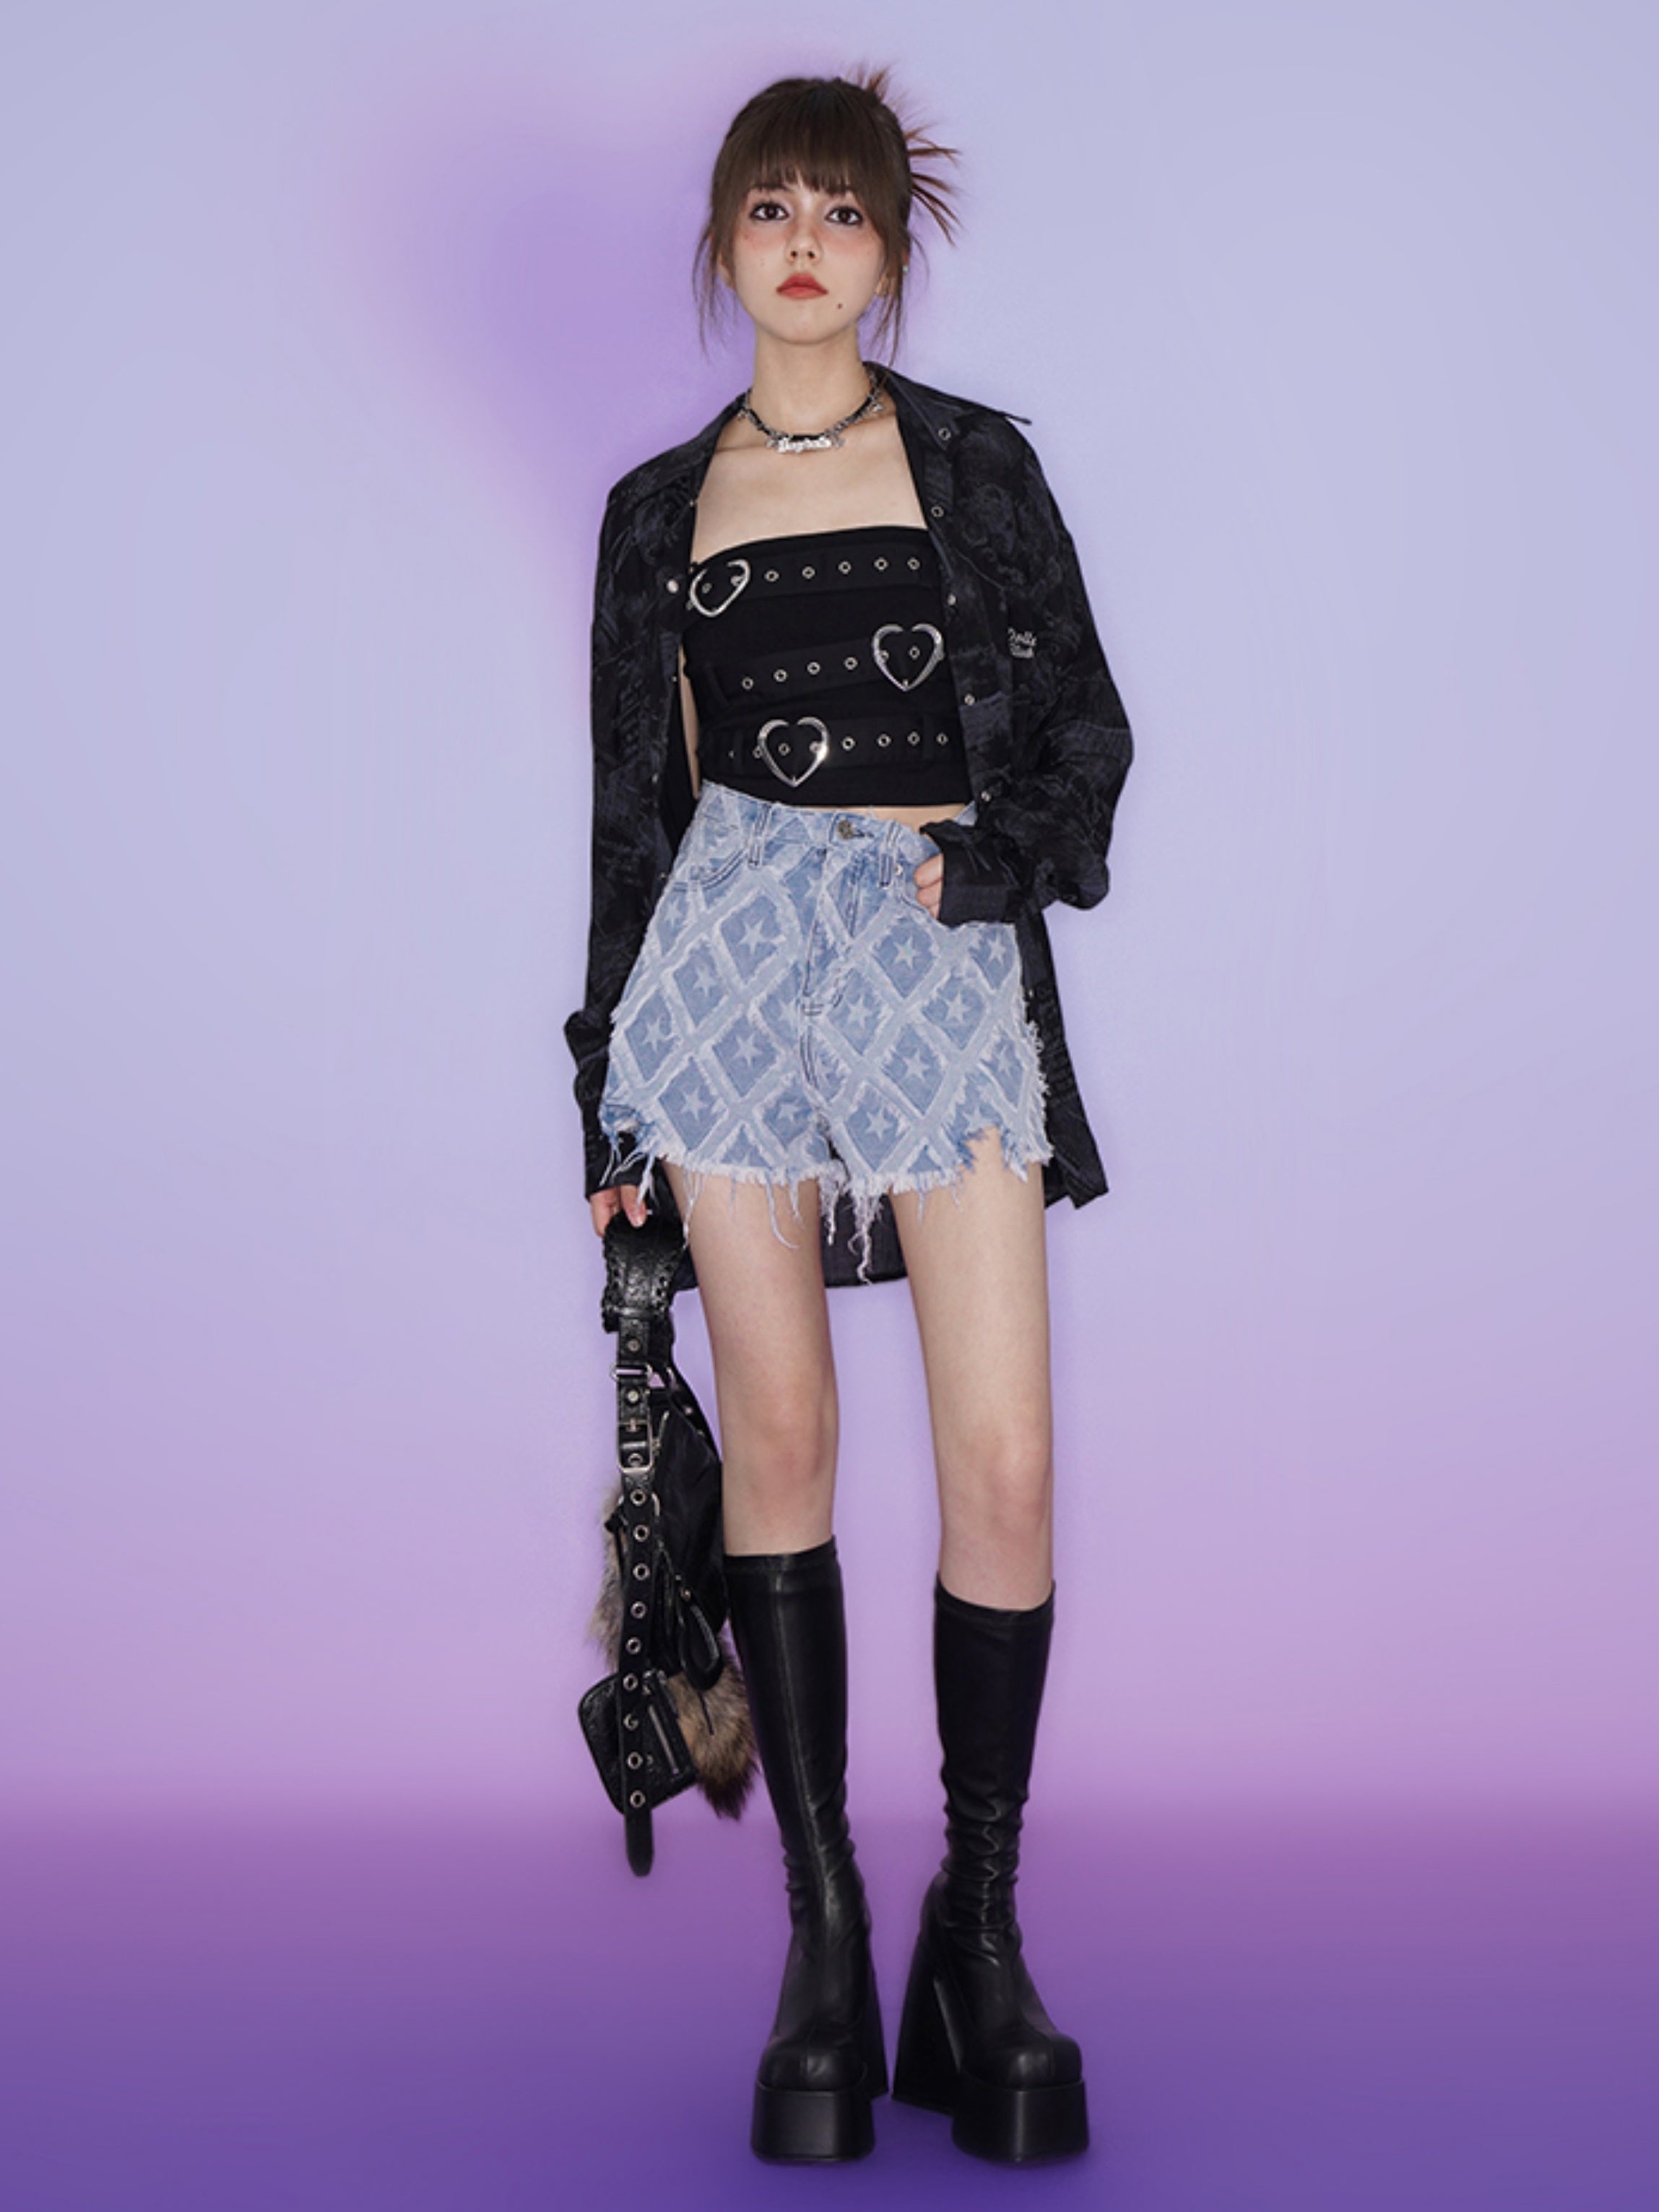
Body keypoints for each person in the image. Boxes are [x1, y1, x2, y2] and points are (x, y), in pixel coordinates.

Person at [565, 68, 1132, 2166]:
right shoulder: (655, 513)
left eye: (843, 211)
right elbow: (631, 821)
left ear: (890, 250)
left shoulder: (976, 468)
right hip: (720, 967)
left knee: (1004, 1461)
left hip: (929, 955)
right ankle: (823, 1934)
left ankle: (975, 1939)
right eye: (770, 208)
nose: (804, 243)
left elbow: (1085, 739)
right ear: (727, 243)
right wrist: (603, 1107)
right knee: (783, 1439)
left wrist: (987, 872)